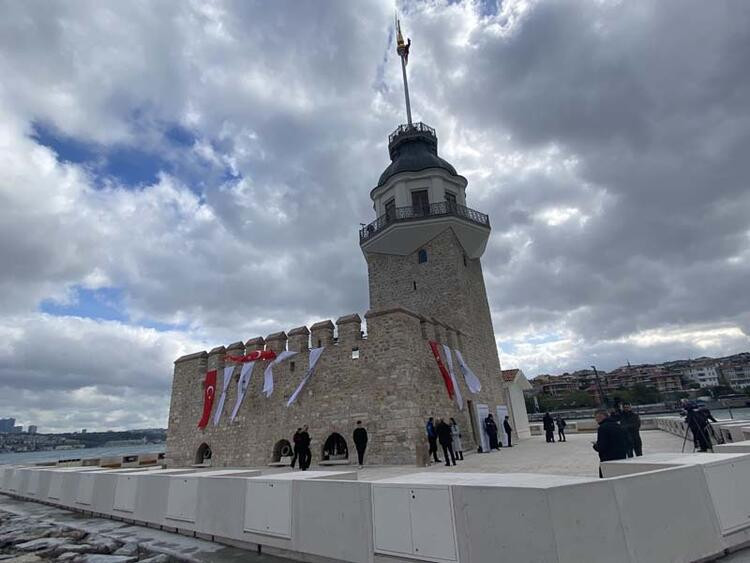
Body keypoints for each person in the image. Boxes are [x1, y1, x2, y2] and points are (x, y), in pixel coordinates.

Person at [592, 409, 628, 477]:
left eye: (596, 417)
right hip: (621, 457)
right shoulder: (617, 425)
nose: (596, 420)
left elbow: (602, 446)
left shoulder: (602, 428)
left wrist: (595, 446)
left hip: (607, 459)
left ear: (602, 416)